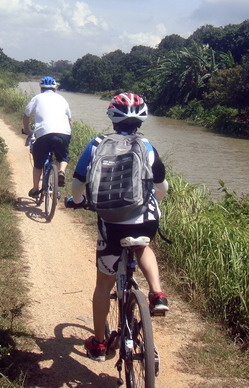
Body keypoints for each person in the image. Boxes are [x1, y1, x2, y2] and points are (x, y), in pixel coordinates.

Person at [66, 92, 169, 361]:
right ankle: (157, 294)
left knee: (103, 285)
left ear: (112, 117)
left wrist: (77, 201)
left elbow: (78, 182)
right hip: (145, 220)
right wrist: (154, 200)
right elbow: (161, 187)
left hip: (111, 223)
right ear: (141, 120)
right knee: (143, 246)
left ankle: (99, 344)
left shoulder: (97, 143)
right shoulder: (147, 146)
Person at [22, 76, 72, 197]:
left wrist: (27, 130)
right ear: (55, 89)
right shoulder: (62, 99)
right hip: (64, 133)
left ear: (41, 89)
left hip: (44, 134)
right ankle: (61, 171)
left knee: (38, 163)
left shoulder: (37, 98)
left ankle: (35, 189)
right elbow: (70, 120)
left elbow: (26, 114)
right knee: (63, 156)